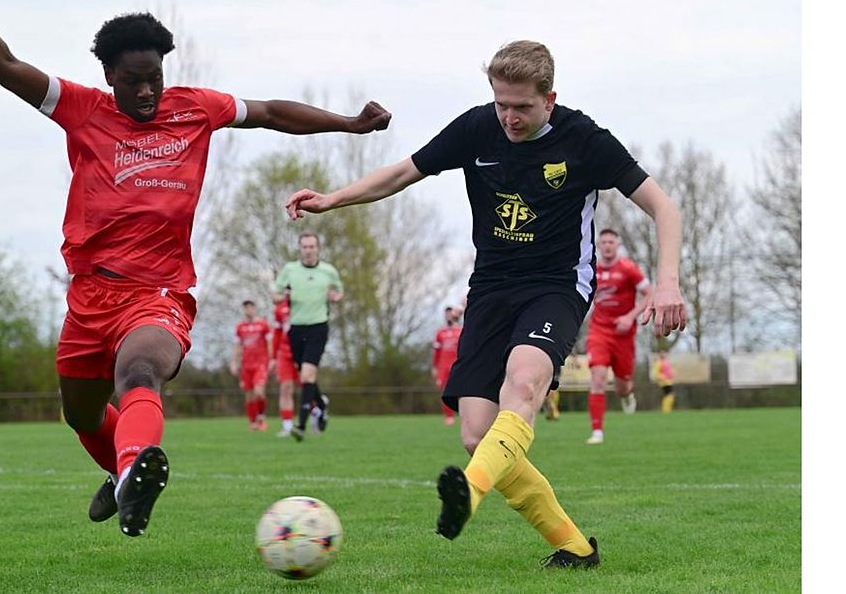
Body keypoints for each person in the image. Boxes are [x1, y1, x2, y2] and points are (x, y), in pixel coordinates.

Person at [0, 0, 390, 538]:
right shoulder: (81, 109)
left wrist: (350, 125)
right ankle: (125, 474)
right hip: (89, 294)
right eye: (133, 79)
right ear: (108, 74)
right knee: (80, 413)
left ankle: (133, 466)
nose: (147, 89)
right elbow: (3, 66)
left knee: (139, 371)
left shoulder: (197, 108)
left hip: (158, 293)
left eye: (154, 76)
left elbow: (273, 113)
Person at [285, 40, 687, 568]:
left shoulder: (584, 139)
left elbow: (663, 206)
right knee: (478, 435)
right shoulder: (476, 128)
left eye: (522, 106)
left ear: (550, 98)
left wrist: (667, 282)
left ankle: (466, 498)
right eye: (501, 103)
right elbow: (403, 172)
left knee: (523, 384)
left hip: (557, 286)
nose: (509, 117)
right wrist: (333, 198)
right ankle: (574, 547)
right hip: (491, 290)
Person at [271, 232, 344, 442]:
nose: (309, 250)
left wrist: (335, 296)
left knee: (306, 376)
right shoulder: (290, 270)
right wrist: (283, 296)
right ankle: (320, 403)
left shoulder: (328, 271)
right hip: (296, 329)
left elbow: (339, 292)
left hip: (318, 327)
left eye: (312, 247)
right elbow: (274, 295)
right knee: (306, 376)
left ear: (318, 249)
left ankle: (301, 425)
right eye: (305, 247)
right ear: (299, 249)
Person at [584, 228, 652, 445]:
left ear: (618, 244)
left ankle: (627, 395)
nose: (607, 246)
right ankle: (597, 431)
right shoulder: (591, 269)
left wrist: (630, 317)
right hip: (599, 331)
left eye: (611, 242)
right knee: (598, 377)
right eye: (603, 242)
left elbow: (650, 293)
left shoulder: (628, 269)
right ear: (599, 245)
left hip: (623, 334)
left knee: (622, 385)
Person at [230, 300, 272, 431]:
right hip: (246, 364)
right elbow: (237, 346)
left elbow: (270, 343)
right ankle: (253, 422)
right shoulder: (240, 327)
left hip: (260, 363)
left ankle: (261, 418)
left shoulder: (263, 324)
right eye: (246, 308)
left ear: (254, 309)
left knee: (259, 391)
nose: (248, 310)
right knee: (249, 394)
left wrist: (271, 360)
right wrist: (234, 362)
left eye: (250, 307)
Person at [272, 298, 300, 437]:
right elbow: (277, 333)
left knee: (308, 386)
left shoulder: (305, 303)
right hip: (284, 353)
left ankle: (316, 414)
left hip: (302, 351)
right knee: (286, 389)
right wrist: (273, 357)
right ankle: (287, 426)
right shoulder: (279, 309)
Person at [431, 306, 463, 425]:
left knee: (461, 391)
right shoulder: (440, 332)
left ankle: (463, 414)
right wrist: (434, 367)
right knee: (444, 391)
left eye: (450, 314)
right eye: (446, 314)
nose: (448, 316)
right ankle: (449, 416)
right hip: (443, 367)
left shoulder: (461, 330)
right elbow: (436, 352)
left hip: (457, 365)